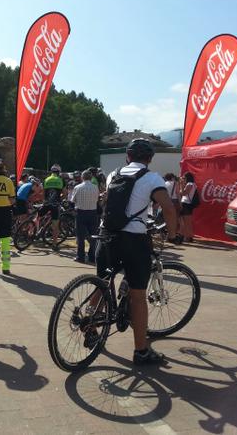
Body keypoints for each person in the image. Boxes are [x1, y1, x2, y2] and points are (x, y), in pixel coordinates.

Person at [96, 138, 178, 365]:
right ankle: (141, 351)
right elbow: (169, 208)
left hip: (106, 235)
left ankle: (90, 326)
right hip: (133, 238)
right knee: (138, 296)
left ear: (128, 156)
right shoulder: (152, 178)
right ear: (150, 159)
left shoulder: (114, 175)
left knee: (102, 282)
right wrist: (172, 235)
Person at [70, 169, 100, 264]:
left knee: (80, 236)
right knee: (93, 235)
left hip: (80, 212)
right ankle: (92, 257)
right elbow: (97, 199)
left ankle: (81, 257)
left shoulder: (77, 187)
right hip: (92, 213)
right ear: (91, 178)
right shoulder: (95, 187)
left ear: (82, 177)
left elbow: (72, 200)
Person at [43, 164, 66, 251]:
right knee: (55, 225)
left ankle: (31, 229)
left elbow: (43, 193)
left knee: (38, 216)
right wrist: (60, 199)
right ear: (59, 172)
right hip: (55, 205)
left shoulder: (46, 179)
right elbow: (65, 193)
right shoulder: (61, 180)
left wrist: (44, 201)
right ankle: (54, 244)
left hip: (46, 203)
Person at [180, 172, 197, 242]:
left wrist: (181, 184)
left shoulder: (190, 184)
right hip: (187, 204)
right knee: (187, 221)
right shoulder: (193, 184)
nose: (183, 179)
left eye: (184, 178)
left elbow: (183, 193)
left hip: (186, 203)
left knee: (186, 222)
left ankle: (188, 237)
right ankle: (189, 236)